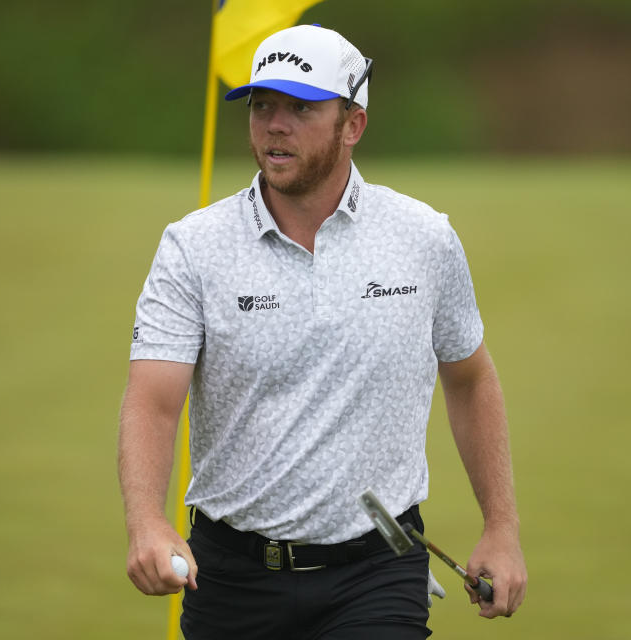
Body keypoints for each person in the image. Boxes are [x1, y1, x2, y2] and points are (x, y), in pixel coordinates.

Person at [118, 24, 527, 639]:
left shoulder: (422, 238)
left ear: (353, 123)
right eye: (262, 107)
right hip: (231, 576)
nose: (274, 125)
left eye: (301, 108)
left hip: (377, 571)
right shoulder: (194, 247)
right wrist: (147, 521)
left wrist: (501, 527)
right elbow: (152, 400)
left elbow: (469, 379)